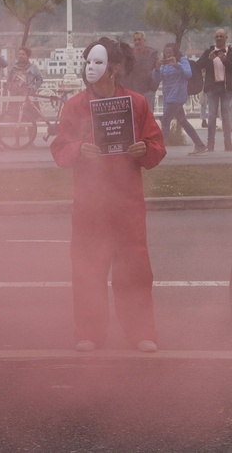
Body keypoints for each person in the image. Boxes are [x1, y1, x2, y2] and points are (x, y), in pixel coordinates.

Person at [50, 37, 166, 354]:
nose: (91, 68)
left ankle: (141, 331)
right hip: (90, 203)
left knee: (135, 268)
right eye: (88, 61)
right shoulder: (74, 106)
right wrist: (78, 149)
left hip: (127, 202)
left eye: (98, 62)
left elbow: (157, 147)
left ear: (114, 68)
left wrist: (144, 149)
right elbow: (59, 149)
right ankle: (89, 331)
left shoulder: (137, 103)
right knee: (88, 266)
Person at [153, 43, 207, 155]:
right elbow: (157, 80)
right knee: (183, 121)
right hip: (168, 96)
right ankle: (200, 145)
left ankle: (160, 149)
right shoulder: (164, 64)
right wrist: (157, 69)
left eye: (170, 53)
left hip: (178, 95)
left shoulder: (182, 60)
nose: (168, 55)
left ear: (175, 53)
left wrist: (177, 64)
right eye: (166, 53)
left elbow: (188, 74)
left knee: (165, 120)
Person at [197, 28, 232, 151]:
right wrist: (209, 59)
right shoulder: (209, 51)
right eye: (217, 36)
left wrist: (225, 60)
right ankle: (210, 143)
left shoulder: (230, 52)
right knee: (211, 115)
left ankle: (228, 143)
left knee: (226, 115)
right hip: (212, 87)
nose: (219, 38)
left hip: (226, 87)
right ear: (214, 38)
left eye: (221, 36)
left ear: (226, 38)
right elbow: (199, 65)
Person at [124, 31, 160, 111]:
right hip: (133, 91)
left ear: (144, 40)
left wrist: (153, 86)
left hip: (148, 90)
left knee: (148, 114)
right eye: (135, 40)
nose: (137, 42)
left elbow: (157, 71)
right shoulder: (129, 55)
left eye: (139, 39)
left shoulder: (152, 54)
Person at [5, 46, 44, 119]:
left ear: (28, 56)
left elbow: (40, 79)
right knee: (16, 118)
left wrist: (33, 88)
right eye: (19, 54)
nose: (21, 56)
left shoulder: (33, 67)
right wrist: (11, 88)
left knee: (30, 118)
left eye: (23, 54)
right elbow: (8, 81)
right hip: (16, 97)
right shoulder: (14, 67)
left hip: (28, 96)